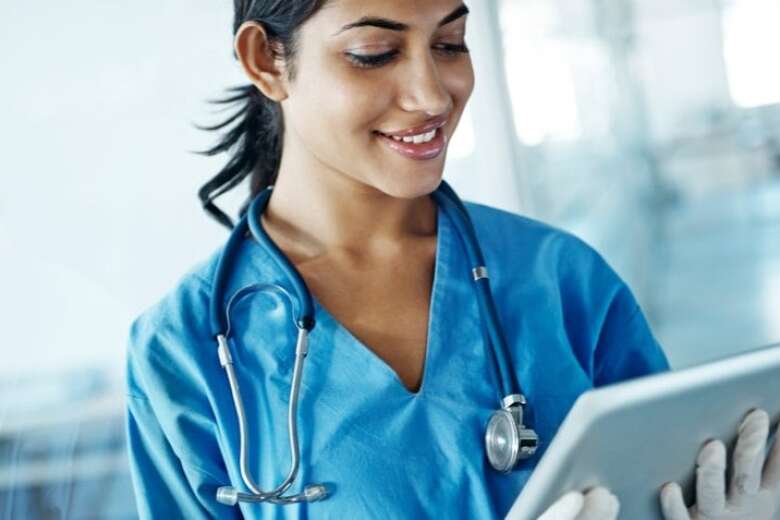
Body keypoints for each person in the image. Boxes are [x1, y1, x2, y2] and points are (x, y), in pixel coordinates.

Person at [124, 1, 780, 518]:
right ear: (267, 59)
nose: (432, 96)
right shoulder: (184, 351)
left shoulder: (560, 279)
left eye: (449, 44)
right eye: (373, 54)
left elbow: (668, 479)